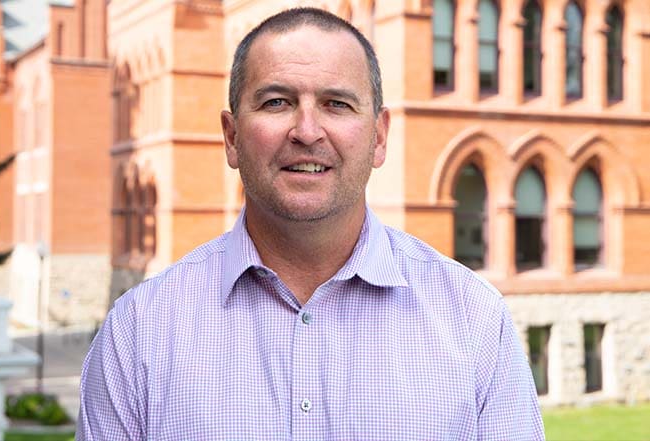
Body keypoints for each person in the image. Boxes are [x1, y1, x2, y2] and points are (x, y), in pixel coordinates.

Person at [76, 7, 544, 440]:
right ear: (232, 137)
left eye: (337, 104)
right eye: (277, 102)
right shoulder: (140, 332)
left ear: (379, 137)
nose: (306, 131)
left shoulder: (473, 320)